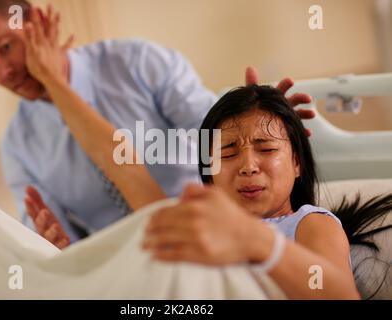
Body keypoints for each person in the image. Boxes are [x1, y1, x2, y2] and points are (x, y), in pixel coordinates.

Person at [0, 0, 313, 248]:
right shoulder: (18, 145)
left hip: (206, 224)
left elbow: (215, 138)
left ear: (36, 23)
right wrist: (50, 244)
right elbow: (54, 243)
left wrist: (263, 122)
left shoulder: (138, 63)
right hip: (124, 265)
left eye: (5, 47)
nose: (2, 71)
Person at [142, 85, 392, 299]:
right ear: (209, 176)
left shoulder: (309, 223)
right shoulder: (199, 227)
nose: (248, 167)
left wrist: (259, 243)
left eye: (267, 149)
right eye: (227, 152)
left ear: (296, 163)